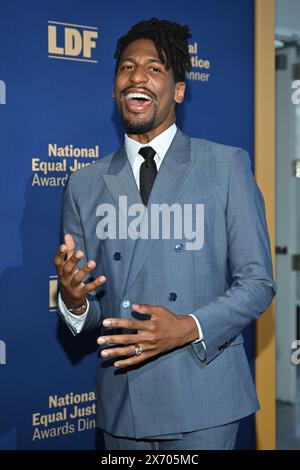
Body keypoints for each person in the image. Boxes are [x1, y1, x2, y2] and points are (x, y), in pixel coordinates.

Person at [54, 18, 276, 450]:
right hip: (124, 405)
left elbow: (258, 284)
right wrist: (75, 300)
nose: (136, 75)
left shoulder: (225, 166)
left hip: (204, 399)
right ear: (115, 87)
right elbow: (95, 312)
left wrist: (189, 327)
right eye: (126, 67)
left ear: (178, 89)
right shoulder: (83, 183)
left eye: (154, 68)